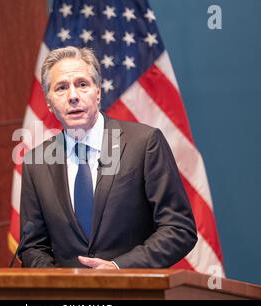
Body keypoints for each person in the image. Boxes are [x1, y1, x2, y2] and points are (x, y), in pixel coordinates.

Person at [18, 46, 197, 269]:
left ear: (98, 92)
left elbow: (179, 229)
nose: (73, 96)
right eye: (61, 88)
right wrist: (61, 284)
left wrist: (118, 267)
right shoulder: (37, 163)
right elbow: (32, 246)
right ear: (48, 102)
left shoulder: (143, 144)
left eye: (82, 84)